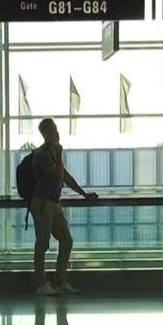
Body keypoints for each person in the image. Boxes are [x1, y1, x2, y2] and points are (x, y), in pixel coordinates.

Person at [30, 118, 98, 296]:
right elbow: (57, 176)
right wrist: (59, 154)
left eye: (56, 129)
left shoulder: (52, 153)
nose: (57, 133)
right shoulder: (43, 154)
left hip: (53, 203)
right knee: (42, 244)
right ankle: (41, 284)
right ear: (45, 134)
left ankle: (60, 281)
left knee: (66, 240)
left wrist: (83, 194)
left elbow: (65, 177)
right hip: (43, 204)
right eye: (53, 130)